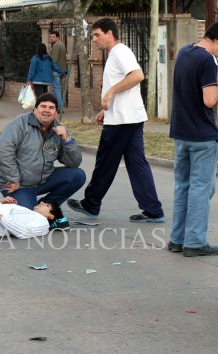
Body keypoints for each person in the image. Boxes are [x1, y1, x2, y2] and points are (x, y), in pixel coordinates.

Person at [67, 17, 165, 223]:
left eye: (97, 35)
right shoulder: (114, 54)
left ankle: (91, 204)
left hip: (123, 121)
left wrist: (110, 92)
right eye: (92, 35)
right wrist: (106, 110)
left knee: (105, 162)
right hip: (127, 117)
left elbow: (137, 75)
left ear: (109, 33)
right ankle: (153, 210)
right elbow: (126, 84)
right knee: (137, 165)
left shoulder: (120, 51)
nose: (93, 39)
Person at [168, 21, 218, 257]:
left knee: (183, 187)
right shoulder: (207, 59)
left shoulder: (185, 51)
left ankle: (177, 239)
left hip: (181, 131)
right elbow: (209, 100)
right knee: (201, 189)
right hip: (202, 135)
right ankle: (195, 242)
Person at [0, 93, 85, 229]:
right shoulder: (20, 124)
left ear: (55, 112)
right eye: (43, 106)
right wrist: (14, 179)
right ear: (34, 109)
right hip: (18, 184)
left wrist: (67, 140)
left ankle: (45, 206)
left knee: (78, 175)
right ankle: (37, 211)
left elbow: (73, 163)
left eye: (51, 107)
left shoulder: (58, 130)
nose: (47, 110)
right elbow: (2, 151)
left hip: (43, 180)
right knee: (27, 221)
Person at [49, 30, 68, 112]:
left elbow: (54, 60)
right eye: (50, 37)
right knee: (55, 89)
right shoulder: (62, 45)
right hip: (61, 70)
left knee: (56, 89)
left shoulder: (56, 46)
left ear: (58, 37)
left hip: (56, 70)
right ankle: (54, 106)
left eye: (53, 37)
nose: (51, 38)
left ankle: (60, 107)